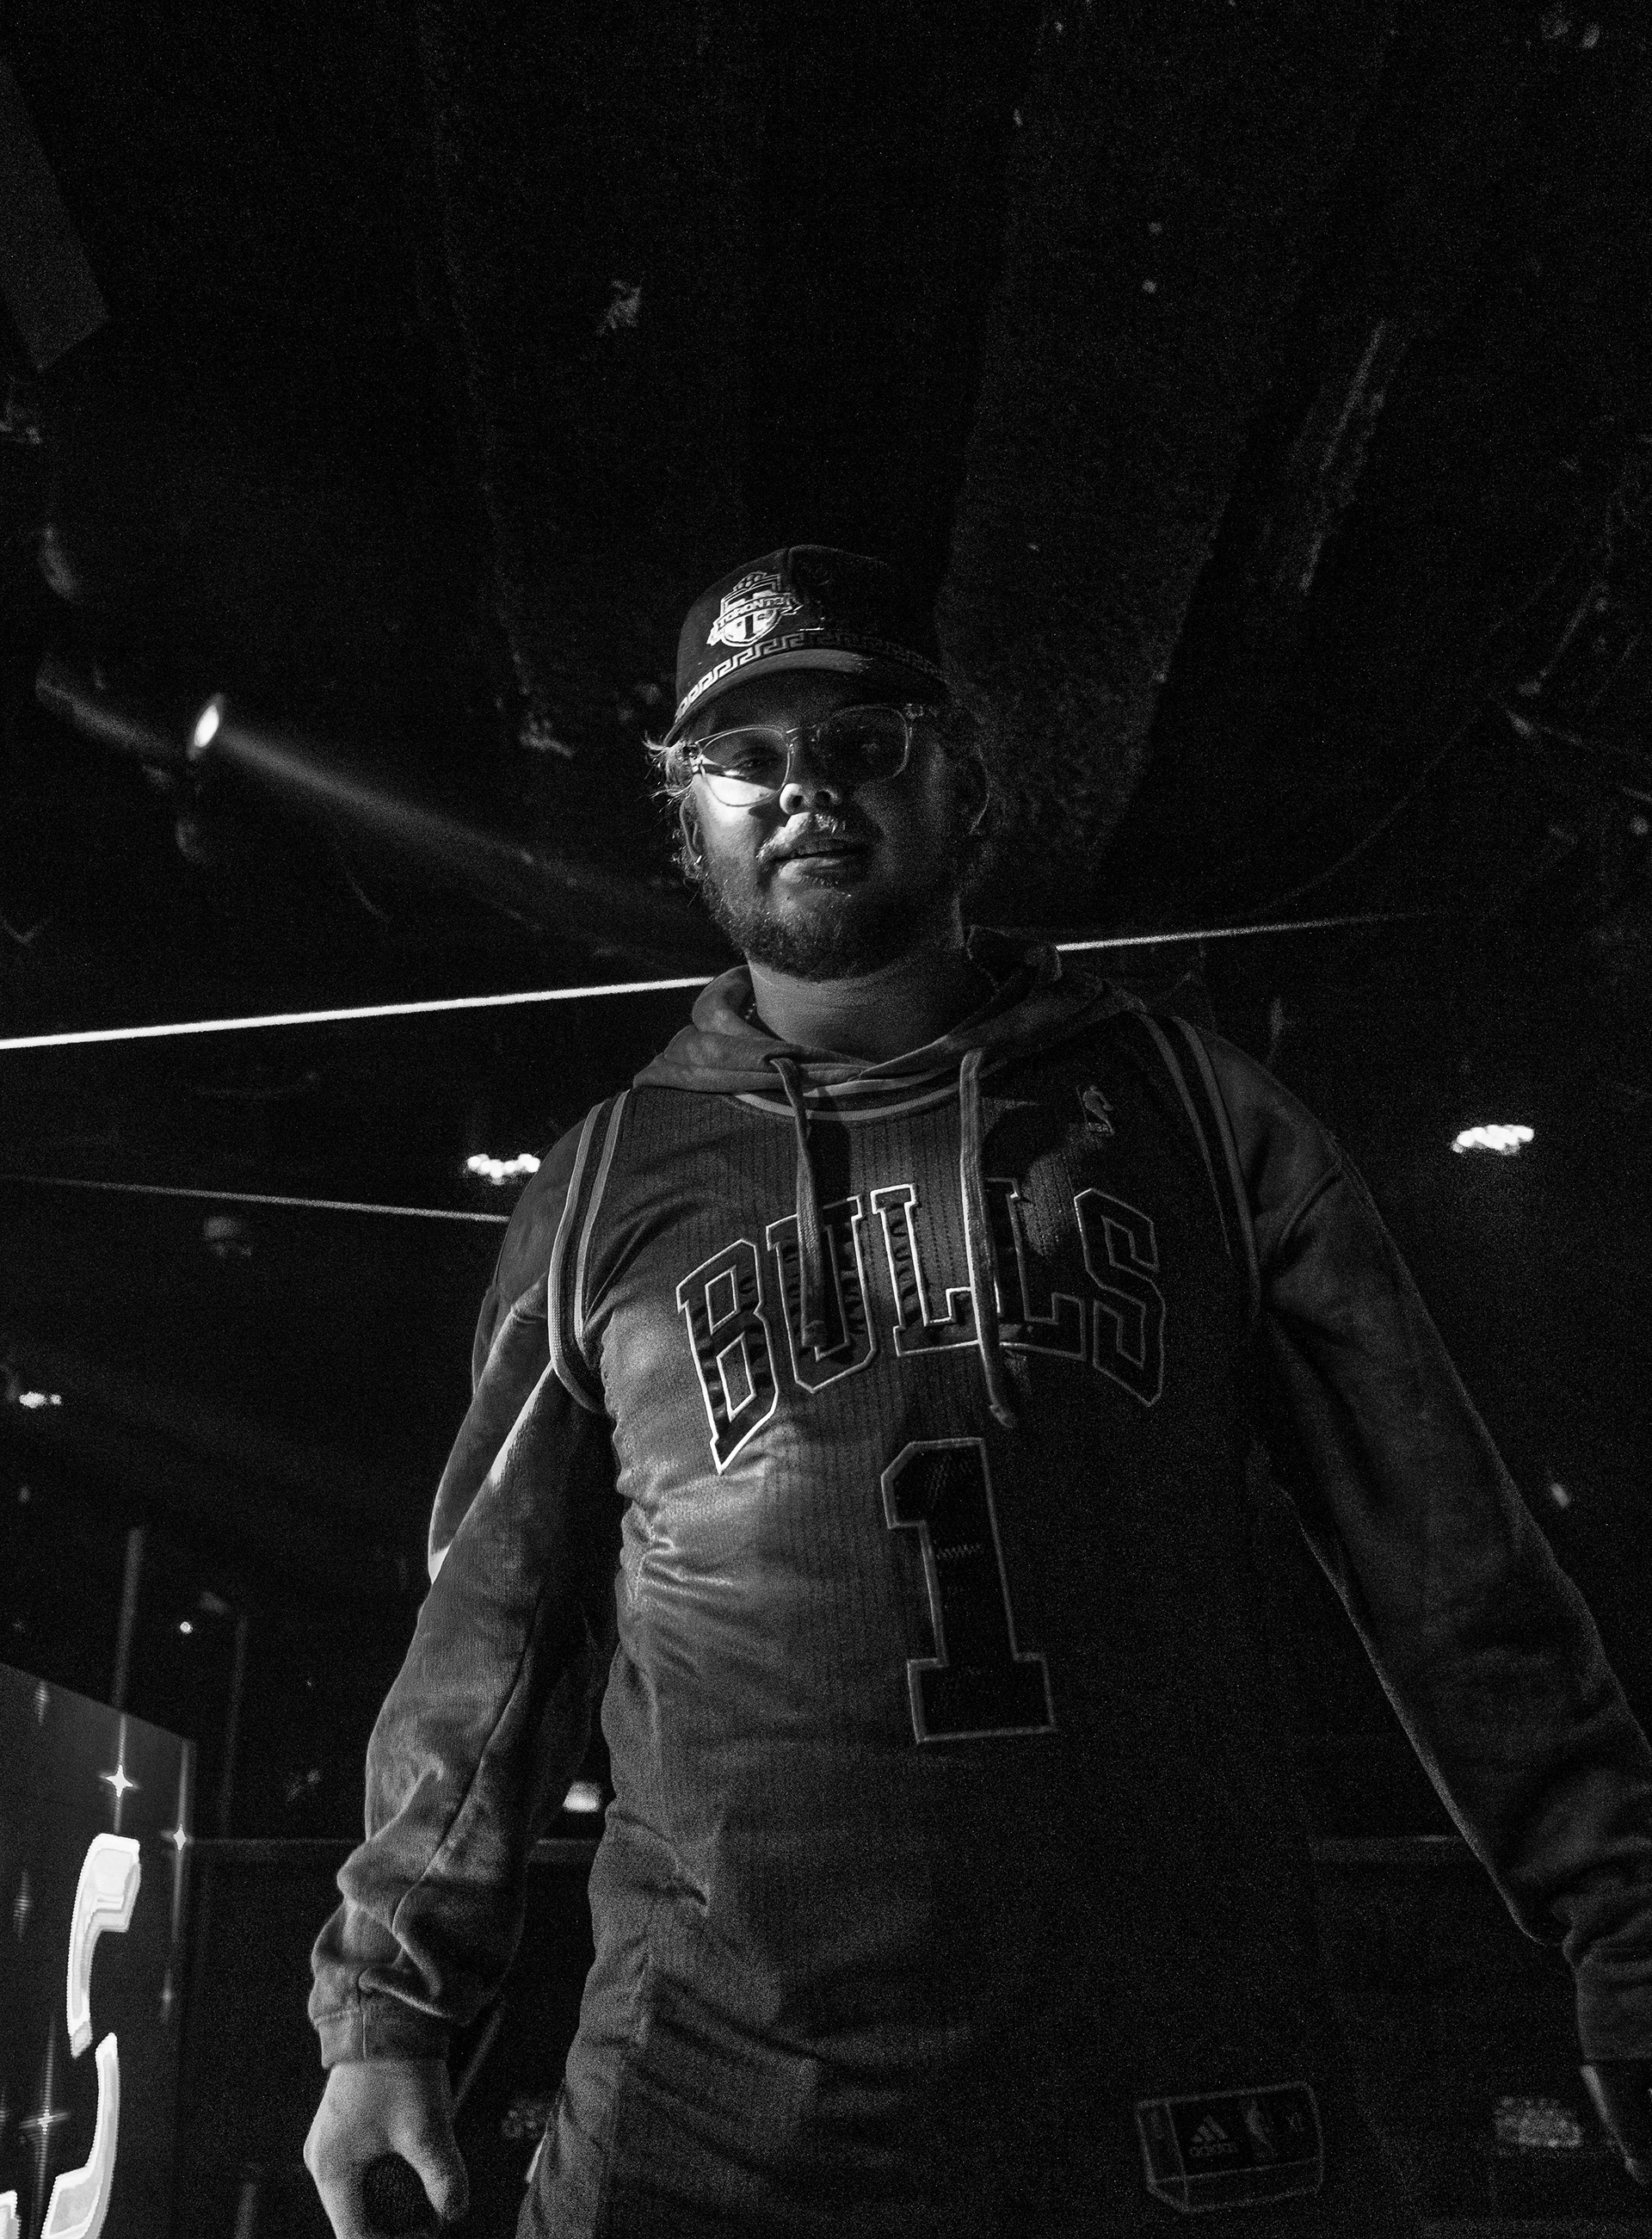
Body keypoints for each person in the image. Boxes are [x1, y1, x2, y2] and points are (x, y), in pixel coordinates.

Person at [305, 546, 1652, 2236]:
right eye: (746, 756)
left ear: (965, 775)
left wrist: (1627, 1923)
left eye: (861, 742)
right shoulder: (596, 1190)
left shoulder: (1193, 1113)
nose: (805, 790)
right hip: (718, 2127)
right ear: (688, 816)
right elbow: (490, 1642)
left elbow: (1448, 1562)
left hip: (1180, 2101)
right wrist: (389, 2007)